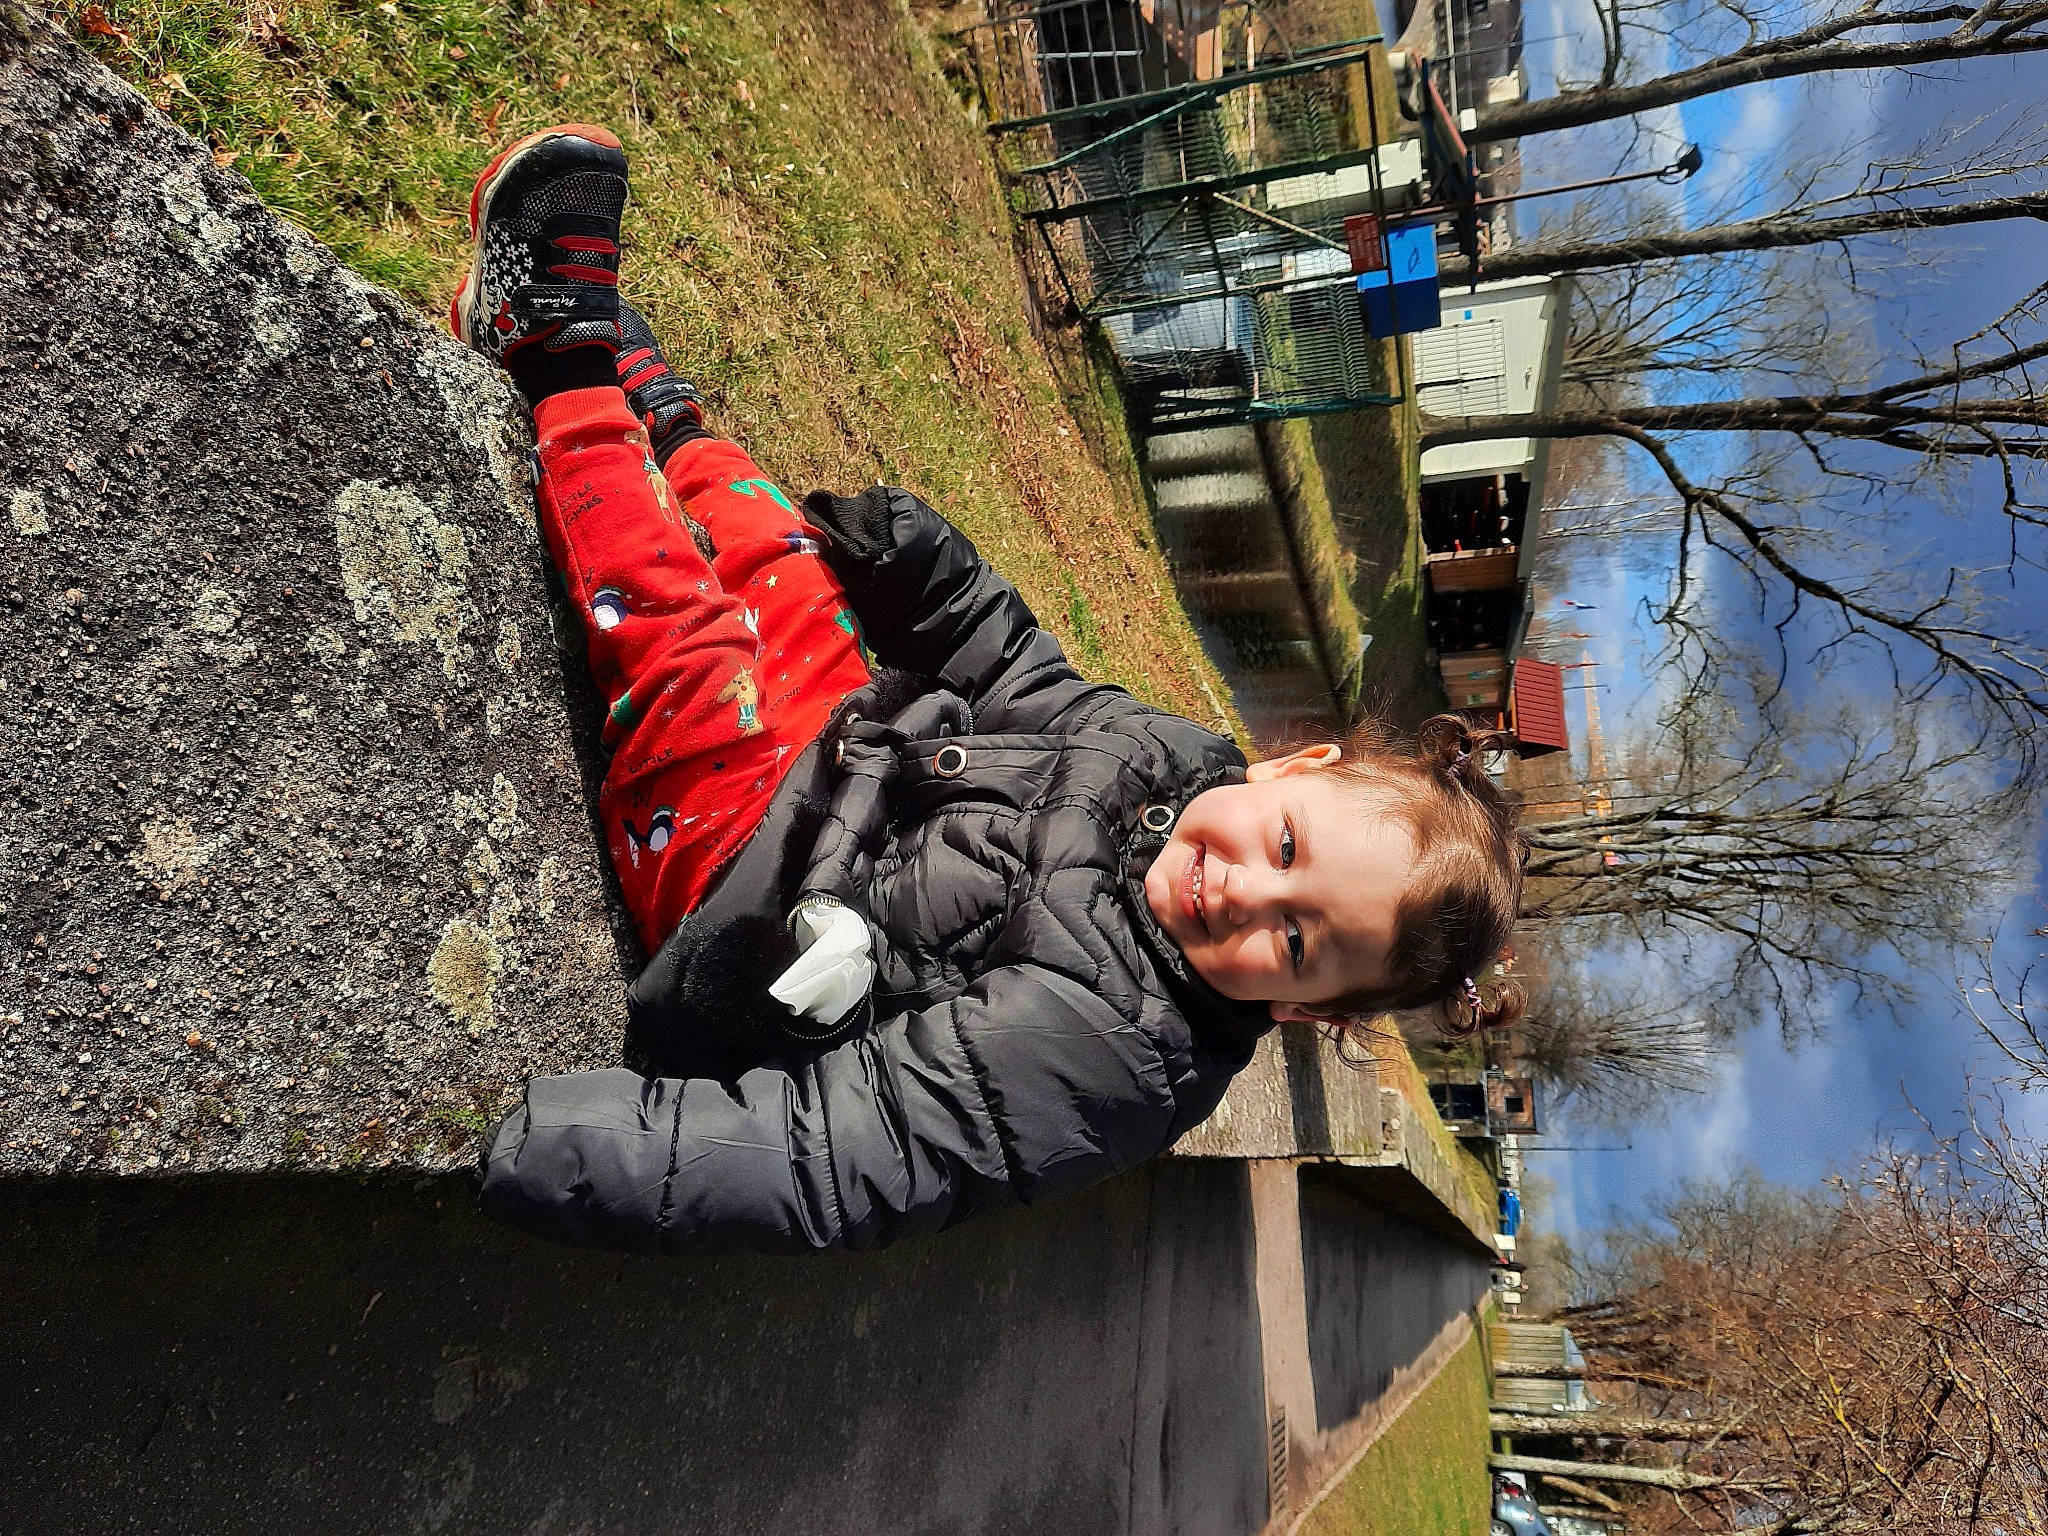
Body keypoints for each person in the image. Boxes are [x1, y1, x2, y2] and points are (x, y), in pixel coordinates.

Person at [455, 126, 1525, 1255]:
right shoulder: (1176, 761)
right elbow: (1021, 674)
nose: (1245, 892)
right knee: (787, 566)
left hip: (741, 902)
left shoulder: (1120, 1056)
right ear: (1293, 767)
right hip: (848, 752)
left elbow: (855, 1155)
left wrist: (606, 1150)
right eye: (1288, 849)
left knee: (690, 647)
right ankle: (669, 422)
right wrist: (929, 576)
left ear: (1302, 1008)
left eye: (1298, 944)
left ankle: (559, 362)